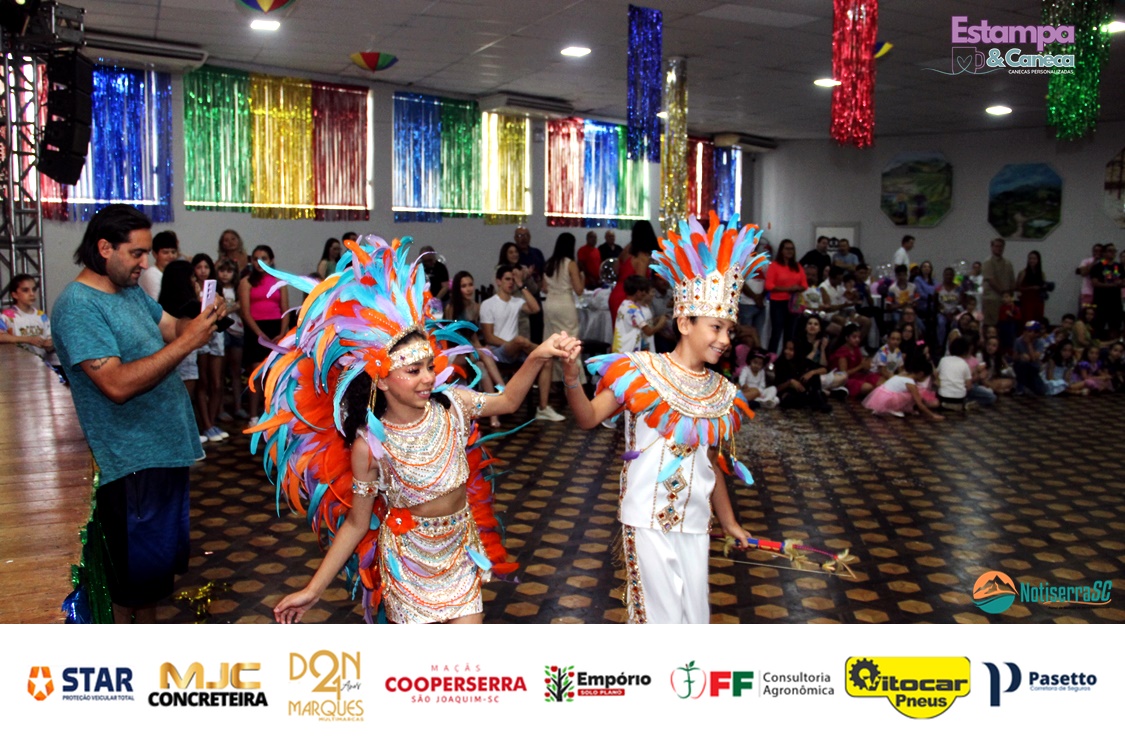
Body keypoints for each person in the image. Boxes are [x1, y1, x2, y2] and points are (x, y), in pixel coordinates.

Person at [266, 234, 579, 624]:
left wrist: (538, 355)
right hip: (408, 565)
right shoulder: (370, 445)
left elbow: (508, 402)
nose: (428, 377)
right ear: (381, 380)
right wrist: (313, 590)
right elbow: (357, 523)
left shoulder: (454, 405)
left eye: (430, 366)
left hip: (460, 553)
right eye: (413, 370)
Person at [560, 213, 767, 624]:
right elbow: (588, 418)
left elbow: (711, 461)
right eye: (716, 327)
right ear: (685, 322)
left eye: (730, 330)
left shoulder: (721, 392)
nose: (725, 339)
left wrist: (729, 521)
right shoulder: (639, 371)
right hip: (646, 518)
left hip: (695, 522)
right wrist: (570, 376)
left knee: (694, 621)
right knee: (659, 624)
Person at [51, 204, 221, 623]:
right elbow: (116, 384)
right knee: (133, 586)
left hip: (161, 454)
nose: (145, 263)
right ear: (104, 248)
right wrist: (187, 344)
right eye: (137, 253)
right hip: (131, 464)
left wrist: (201, 321)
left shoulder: (128, 292)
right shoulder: (78, 306)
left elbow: (172, 328)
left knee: (152, 582)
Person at [479, 263, 565, 422]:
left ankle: (543, 408)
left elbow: (535, 309)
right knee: (520, 340)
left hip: (518, 350)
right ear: (498, 281)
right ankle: (546, 349)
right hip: (498, 351)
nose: (511, 283)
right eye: (507, 279)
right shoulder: (488, 304)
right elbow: (489, 337)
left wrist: (521, 285)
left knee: (546, 360)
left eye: (513, 280)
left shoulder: (516, 301)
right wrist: (513, 343)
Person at [239, 245, 289, 426]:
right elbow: (245, 312)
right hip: (255, 330)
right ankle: (253, 416)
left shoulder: (279, 281)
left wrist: (282, 333)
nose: (259, 262)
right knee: (256, 374)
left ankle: (273, 414)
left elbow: (285, 310)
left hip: (276, 329)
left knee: (275, 373)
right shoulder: (246, 282)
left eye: (264, 258)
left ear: (271, 260)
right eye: (256, 259)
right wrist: (259, 333)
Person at [448, 271, 505, 429]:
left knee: (482, 366)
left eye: (470, 285)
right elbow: (450, 338)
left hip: (470, 351)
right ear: (458, 289)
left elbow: (473, 337)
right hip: (453, 353)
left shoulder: (475, 307)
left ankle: (493, 415)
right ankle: (503, 388)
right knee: (484, 355)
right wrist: (478, 349)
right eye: (463, 286)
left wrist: (480, 347)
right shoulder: (451, 308)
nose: (468, 289)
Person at [189, 254, 229, 442]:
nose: (203, 271)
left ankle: (211, 423)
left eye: (206, 267)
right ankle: (205, 423)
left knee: (217, 382)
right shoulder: (190, 287)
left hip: (216, 334)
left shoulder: (216, 287)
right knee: (202, 381)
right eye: (199, 267)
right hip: (200, 334)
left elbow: (222, 310)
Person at [542, 232, 586, 384]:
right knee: (570, 341)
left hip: (550, 303)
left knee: (552, 341)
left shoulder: (549, 263)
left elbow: (544, 288)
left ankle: (554, 379)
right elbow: (579, 290)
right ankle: (575, 380)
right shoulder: (570, 263)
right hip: (564, 304)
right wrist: (582, 276)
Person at [215, 258, 247, 420]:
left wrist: (236, 306)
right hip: (221, 332)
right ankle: (220, 408)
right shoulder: (216, 290)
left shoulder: (238, 288)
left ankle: (238, 406)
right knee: (219, 373)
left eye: (229, 271)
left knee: (236, 370)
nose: (225, 274)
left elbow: (244, 306)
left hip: (237, 330)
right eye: (222, 270)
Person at [862, 356, 943, 420]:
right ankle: (892, 408)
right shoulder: (910, 383)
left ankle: (885, 407)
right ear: (921, 374)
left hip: (881, 395)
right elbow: (919, 404)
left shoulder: (903, 374)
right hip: (889, 399)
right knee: (915, 394)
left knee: (914, 392)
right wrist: (932, 415)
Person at [0, 274, 56, 363]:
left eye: (34, 289)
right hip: (17, 364)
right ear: (14, 294)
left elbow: (50, 339)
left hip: (40, 363)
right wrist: (28, 339)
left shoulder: (41, 316)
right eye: (25, 290)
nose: (32, 294)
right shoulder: (7, 316)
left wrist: (48, 344)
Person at [609, 220, 658, 321]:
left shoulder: (627, 249)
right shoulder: (642, 257)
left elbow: (615, 269)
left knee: (619, 330)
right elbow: (639, 285)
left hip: (616, 294)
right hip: (629, 297)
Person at [764, 238, 807, 353]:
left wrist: (797, 288)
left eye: (792, 249)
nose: (790, 251)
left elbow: (804, 285)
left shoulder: (797, 266)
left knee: (790, 334)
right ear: (781, 250)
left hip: (793, 304)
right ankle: (771, 357)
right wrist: (788, 289)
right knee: (776, 332)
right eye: (787, 249)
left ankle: (786, 357)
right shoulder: (774, 266)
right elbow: (769, 285)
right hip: (778, 303)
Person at [612, 275, 665, 354]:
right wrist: (661, 324)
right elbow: (648, 332)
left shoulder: (623, 304)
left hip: (620, 348)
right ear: (638, 292)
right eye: (643, 291)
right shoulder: (634, 310)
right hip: (629, 351)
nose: (645, 294)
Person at [513, 227, 546, 343]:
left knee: (537, 328)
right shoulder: (514, 254)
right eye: (520, 235)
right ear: (515, 238)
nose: (523, 238)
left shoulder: (537, 253)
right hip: (520, 296)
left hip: (535, 294)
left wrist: (541, 284)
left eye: (526, 235)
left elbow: (543, 272)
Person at [1088, 244, 1123, 339]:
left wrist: (1120, 283)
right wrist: (1112, 285)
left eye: (1114, 251)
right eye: (1110, 251)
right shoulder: (1097, 267)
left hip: (1115, 302)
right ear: (1103, 253)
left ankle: (1114, 344)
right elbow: (1095, 283)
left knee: (1115, 326)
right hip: (1101, 301)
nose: (1113, 253)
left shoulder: (1118, 266)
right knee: (1098, 326)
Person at [981, 237, 1015, 327]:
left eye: (1001, 246)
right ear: (992, 247)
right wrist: (1004, 293)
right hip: (992, 299)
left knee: (1005, 326)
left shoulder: (1008, 263)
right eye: (996, 246)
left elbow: (1012, 280)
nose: (999, 248)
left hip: (1006, 301)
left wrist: (1010, 297)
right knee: (991, 326)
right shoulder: (988, 262)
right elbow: (991, 280)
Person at [139, 230, 180, 300]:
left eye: (173, 252)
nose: (171, 256)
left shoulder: (175, 274)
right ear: (155, 254)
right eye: (165, 252)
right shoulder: (151, 274)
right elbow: (158, 302)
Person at [1016, 250, 1047, 323]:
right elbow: (1017, 287)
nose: (1032, 260)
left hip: (1038, 301)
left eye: (1034, 258)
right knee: (1027, 320)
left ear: (1038, 260)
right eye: (1030, 258)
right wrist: (1031, 288)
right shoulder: (1023, 272)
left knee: (1037, 320)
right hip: (1027, 301)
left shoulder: (1042, 274)